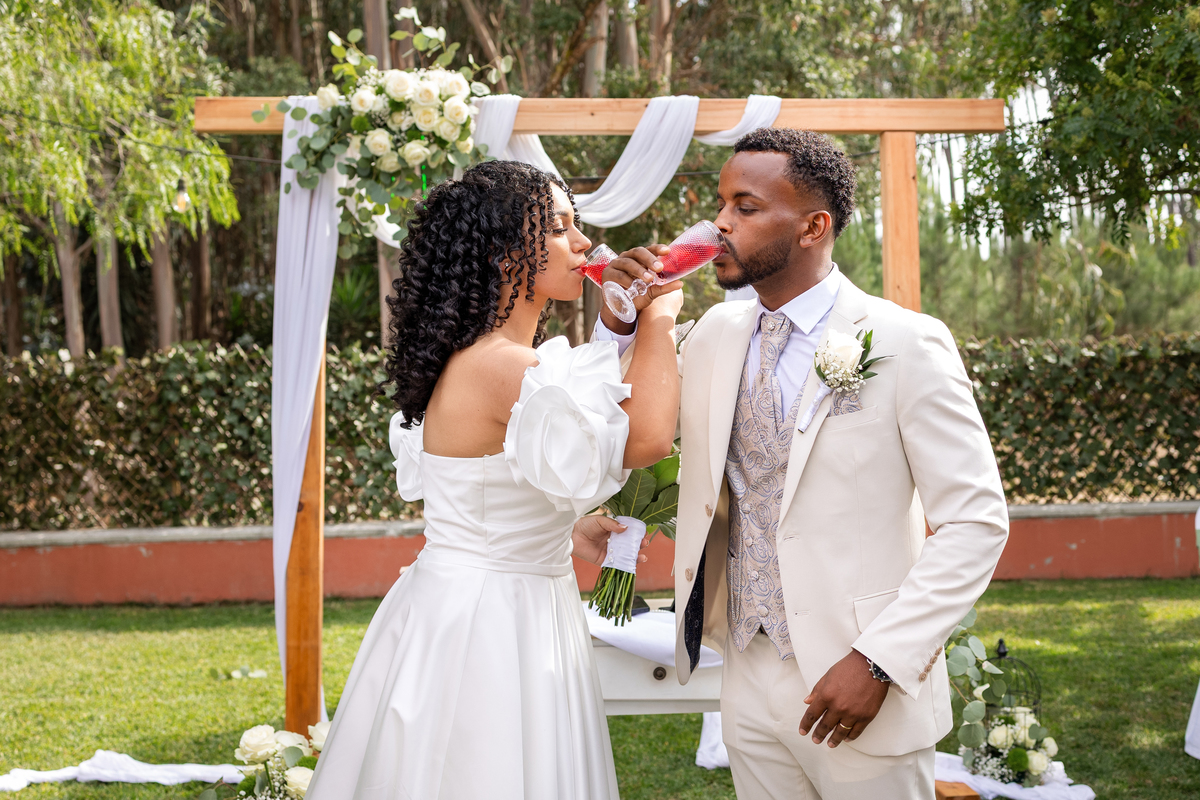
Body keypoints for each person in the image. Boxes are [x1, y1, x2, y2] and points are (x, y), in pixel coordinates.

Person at [597, 128, 1010, 799]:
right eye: (721, 204)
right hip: (746, 672)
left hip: (858, 678)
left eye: (745, 207)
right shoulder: (712, 336)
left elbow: (976, 525)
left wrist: (879, 661)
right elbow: (625, 416)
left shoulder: (907, 343)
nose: (720, 223)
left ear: (814, 227)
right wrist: (622, 325)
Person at [306, 160, 684, 800]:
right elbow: (643, 437)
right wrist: (660, 317)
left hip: (490, 599)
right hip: (489, 622)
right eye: (559, 228)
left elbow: (491, 489)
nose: (584, 243)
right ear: (505, 255)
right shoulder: (502, 366)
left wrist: (568, 529)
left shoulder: (486, 359)